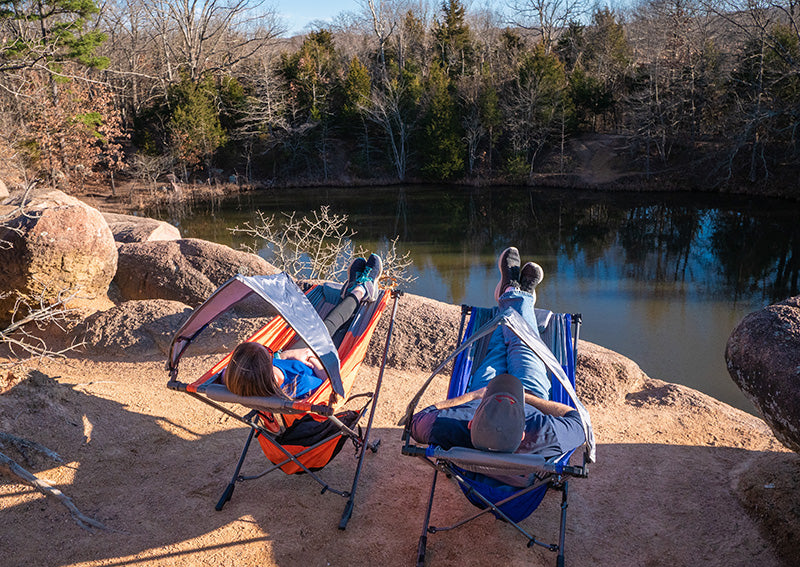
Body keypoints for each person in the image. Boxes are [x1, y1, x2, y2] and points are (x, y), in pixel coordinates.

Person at [410, 247, 585, 460]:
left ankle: (513, 292)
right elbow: (579, 422)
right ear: (522, 435)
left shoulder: (453, 427)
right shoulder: (542, 434)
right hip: (529, 396)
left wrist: (475, 396)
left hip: (482, 393)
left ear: (471, 423)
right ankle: (516, 294)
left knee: (499, 347)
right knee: (522, 344)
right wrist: (526, 399)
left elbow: (417, 419)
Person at [224, 253, 383, 400]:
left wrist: (284, 356)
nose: (271, 354)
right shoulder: (298, 384)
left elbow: (226, 372)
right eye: (268, 353)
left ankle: (354, 289)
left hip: (295, 356)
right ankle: (360, 289)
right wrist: (312, 359)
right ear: (264, 365)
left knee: (324, 326)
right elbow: (329, 386)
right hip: (320, 361)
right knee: (337, 328)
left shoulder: (239, 375)